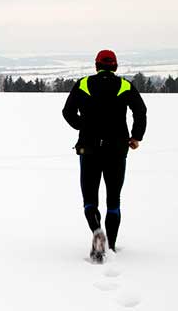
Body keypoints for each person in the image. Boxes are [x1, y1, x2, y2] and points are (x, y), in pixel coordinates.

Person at [62, 50, 147, 262]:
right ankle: (111, 245)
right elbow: (140, 111)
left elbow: (67, 112)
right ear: (115, 66)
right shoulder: (125, 85)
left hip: (88, 149)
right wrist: (136, 136)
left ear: (96, 65)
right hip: (117, 150)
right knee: (114, 200)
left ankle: (96, 230)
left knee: (90, 199)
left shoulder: (83, 84)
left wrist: (83, 126)